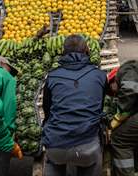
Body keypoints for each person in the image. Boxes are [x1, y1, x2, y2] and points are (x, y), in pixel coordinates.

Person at [42, 34, 107, 176]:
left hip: (56, 145)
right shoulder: (99, 75)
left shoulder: (52, 75)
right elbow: (99, 109)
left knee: (54, 161)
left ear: (64, 51)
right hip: (87, 146)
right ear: (86, 51)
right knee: (90, 160)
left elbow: (47, 110)